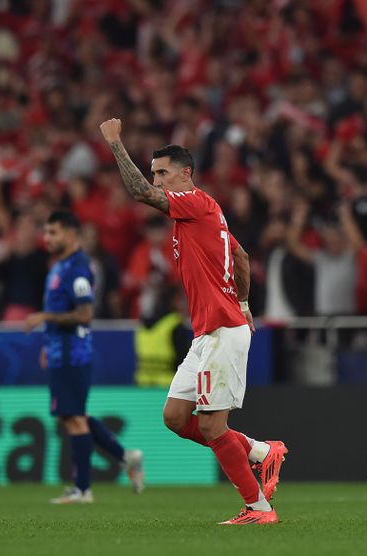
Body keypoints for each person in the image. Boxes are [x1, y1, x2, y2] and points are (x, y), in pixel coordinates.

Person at [99, 119, 287, 525]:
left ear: (186, 173)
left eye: (163, 173)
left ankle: (259, 509)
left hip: (222, 331)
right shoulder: (206, 216)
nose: (157, 181)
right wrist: (246, 303)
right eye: (155, 173)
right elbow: (241, 258)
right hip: (209, 333)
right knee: (175, 418)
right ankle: (260, 452)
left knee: (214, 427)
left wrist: (116, 142)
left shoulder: (196, 203)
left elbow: (137, 192)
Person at [23, 210, 145, 504]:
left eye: (53, 232)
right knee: (75, 415)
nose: (47, 238)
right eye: (46, 232)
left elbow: (85, 313)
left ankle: (83, 489)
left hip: (72, 354)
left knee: (74, 419)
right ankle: (125, 457)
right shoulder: (59, 267)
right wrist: (47, 345)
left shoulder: (78, 268)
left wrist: (44, 316)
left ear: (70, 234)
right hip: (59, 350)